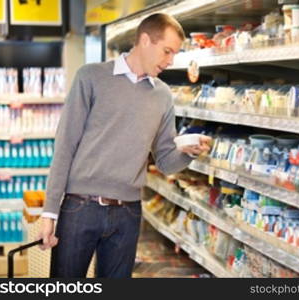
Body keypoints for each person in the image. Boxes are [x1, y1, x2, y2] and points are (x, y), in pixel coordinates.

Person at [39, 13, 211, 278]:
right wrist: (49, 212)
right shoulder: (91, 77)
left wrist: (188, 153)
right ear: (145, 40)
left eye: (174, 54)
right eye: (167, 51)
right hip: (80, 207)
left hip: (128, 212)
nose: (170, 61)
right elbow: (64, 146)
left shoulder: (162, 95)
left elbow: (166, 161)